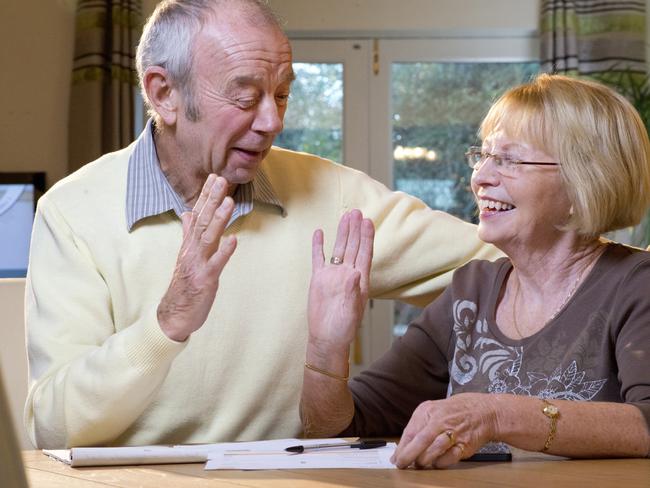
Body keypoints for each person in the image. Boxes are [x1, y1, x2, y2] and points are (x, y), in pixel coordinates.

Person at [24, 0, 498, 449]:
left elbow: (514, 265)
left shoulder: (330, 194)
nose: (272, 121)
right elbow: (53, 425)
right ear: (163, 93)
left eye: (282, 94)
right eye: (246, 96)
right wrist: (168, 322)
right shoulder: (71, 213)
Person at [301, 74, 650, 468]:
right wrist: (325, 347)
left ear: (583, 182)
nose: (480, 177)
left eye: (509, 160)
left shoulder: (637, 284)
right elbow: (340, 427)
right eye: (482, 156)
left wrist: (497, 414)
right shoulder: (471, 291)